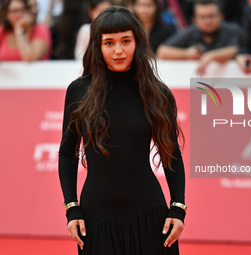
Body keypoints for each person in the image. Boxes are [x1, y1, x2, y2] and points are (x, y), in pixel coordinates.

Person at [58, 5, 186, 255]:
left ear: (137, 42)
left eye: (126, 41)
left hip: (151, 215)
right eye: (109, 43)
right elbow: (67, 154)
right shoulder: (79, 92)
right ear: (98, 47)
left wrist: (178, 207)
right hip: (96, 217)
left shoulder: (158, 94)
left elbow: (171, 154)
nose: (118, 50)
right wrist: (71, 208)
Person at [157, 0, 243, 76]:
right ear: (195, 19)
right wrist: (186, 54)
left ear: (221, 16)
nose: (207, 21)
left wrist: (211, 56)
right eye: (202, 17)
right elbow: (162, 52)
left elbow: (239, 49)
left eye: (211, 16)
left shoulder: (233, 30)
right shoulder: (191, 32)